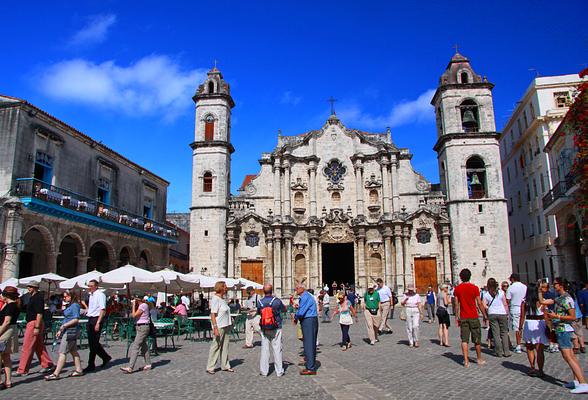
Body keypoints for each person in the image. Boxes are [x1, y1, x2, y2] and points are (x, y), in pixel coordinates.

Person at [545, 277, 588, 394]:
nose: (553, 286)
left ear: (561, 285)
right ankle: (577, 381)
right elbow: (544, 301)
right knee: (571, 356)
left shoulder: (567, 299)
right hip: (560, 329)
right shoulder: (559, 298)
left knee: (568, 357)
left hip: (564, 329)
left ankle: (583, 382)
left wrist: (556, 317)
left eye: (555, 284)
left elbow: (573, 316)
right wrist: (540, 291)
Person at [15, 281, 54, 376]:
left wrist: (37, 326)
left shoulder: (38, 298)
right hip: (33, 322)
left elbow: (39, 313)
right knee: (38, 346)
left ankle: (22, 369)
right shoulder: (32, 297)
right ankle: (47, 364)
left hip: (34, 323)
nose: (29, 288)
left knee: (27, 346)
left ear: (35, 288)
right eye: (28, 286)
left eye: (31, 287)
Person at [44, 291, 83, 380]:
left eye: (65, 296)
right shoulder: (70, 305)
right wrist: (61, 329)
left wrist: (64, 326)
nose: (64, 298)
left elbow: (76, 319)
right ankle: (79, 369)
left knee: (62, 352)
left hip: (71, 330)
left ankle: (56, 373)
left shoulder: (75, 306)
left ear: (71, 296)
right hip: (67, 330)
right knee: (73, 351)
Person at [453, 268, 487, 367]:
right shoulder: (474, 288)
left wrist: (456, 316)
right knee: (477, 339)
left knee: (464, 339)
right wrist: (484, 315)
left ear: (461, 277)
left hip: (463, 317)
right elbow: (479, 302)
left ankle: (466, 361)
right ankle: (479, 359)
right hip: (473, 316)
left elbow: (456, 304)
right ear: (470, 276)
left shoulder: (458, 289)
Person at [519, 283, 548, 377]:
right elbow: (546, 315)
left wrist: (520, 327)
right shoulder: (542, 301)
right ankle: (540, 370)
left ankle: (532, 367)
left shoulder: (525, 302)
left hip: (529, 323)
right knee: (539, 349)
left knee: (529, 347)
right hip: (539, 323)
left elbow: (522, 316)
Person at [257, 283, 286, 376]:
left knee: (264, 349)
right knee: (277, 349)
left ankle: (264, 371)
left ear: (263, 291)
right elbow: (284, 309)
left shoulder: (260, 302)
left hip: (264, 327)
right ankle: (279, 371)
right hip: (276, 327)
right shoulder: (277, 301)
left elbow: (259, 313)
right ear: (272, 290)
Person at [83, 280, 111, 372]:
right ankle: (105, 357)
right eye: (89, 286)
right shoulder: (91, 295)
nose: (89, 287)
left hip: (96, 319)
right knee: (92, 342)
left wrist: (98, 322)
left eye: (91, 286)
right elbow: (91, 308)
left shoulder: (100, 295)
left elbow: (102, 310)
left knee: (93, 342)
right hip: (90, 319)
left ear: (96, 286)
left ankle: (91, 364)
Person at [206, 281, 234, 374]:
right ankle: (210, 367)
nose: (227, 288)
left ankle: (225, 365)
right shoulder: (215, 299)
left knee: (225, 346)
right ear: (221, 288)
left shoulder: (222, 299)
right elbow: (213, 314)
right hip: (219, 326)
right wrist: (215, 327)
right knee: (216, 346)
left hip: (226, 325)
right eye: (225, 287)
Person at [120, 296, 152, 374]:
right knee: (144, 347)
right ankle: (148, 364)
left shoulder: (143, 305)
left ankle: (130, 367)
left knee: (136, 346)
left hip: (143, 327)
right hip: (140, 327)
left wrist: (133, 305)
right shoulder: (142, 306)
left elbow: (134, 315)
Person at [294, 282, 318, 375]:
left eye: (296, 288)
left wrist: (296, 317)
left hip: (308, 320)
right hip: (310, 320)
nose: (295, 290)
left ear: (302, 289)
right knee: (310, 343)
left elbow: (301, 312)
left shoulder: (305, 297)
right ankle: (310, 364)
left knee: (308, 343)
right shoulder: (306, 296)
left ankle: (310, 368)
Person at [482, 278, 510, 357]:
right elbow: (505, 304)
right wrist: (507, 313)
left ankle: (499, 352)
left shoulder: (486, 294)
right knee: (504, 333)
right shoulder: (501, 292)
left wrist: (489, 308)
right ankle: (506, 351)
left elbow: (484, 305)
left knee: (496, 333)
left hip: (492, 314)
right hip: (502, 313)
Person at [0, 286, 20, 388]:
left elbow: (7, 321)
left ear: (6, 295)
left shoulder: (10, 306)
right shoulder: (11, 305)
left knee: (2, 357)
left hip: (6, 332)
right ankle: (8, 381)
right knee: (6, 357)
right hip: (11, 331)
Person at [506, 273, 527, 354]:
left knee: (517, 327)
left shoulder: (510, 288)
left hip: (514, 308)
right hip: (524, 307)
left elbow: (508, 300)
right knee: (523, 325)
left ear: (513, 279)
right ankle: (527, 342)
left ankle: (518, 345)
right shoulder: (525, 287)